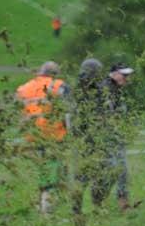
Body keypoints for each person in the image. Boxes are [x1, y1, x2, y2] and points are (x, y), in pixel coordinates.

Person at [16, 61, 69, 213]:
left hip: (32, 136)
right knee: (53, 169)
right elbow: (68, 111)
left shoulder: (24, 88)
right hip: (54, 135)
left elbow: (17, 112)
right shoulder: (59, 85)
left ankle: (43, 203)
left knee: (44, 169)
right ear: (55, 74)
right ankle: (47, 207)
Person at [71, 58, 118, 213]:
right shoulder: (85, 90)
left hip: (91, 139)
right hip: (89, 140)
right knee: (92, 175)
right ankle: (87, 207)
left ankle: (91, 205)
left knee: (101, 174)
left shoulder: (87, 89)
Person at [102, 63, 134, 210]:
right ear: (114, 73)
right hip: (105, 138)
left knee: (120, 170)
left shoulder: (118, 91)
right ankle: (102, 202)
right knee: (114, 170)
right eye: (124, 75)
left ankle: (122, 203)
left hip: (116, 137)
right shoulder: (105, 90)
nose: (126, 78)